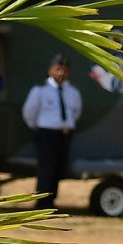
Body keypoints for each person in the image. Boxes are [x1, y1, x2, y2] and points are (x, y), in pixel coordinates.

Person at [22, 54, 82, 209]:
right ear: (50, 71)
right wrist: (37, 126)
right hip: (46, 134)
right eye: (58, 69)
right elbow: (29, 111)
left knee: (59, 168)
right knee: (47, 168)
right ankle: (42, 203)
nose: (61, 73)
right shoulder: (40, 90)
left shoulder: (73, 92)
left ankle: (51, 201)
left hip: (64, 134)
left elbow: (76, 111)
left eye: (64, 70)